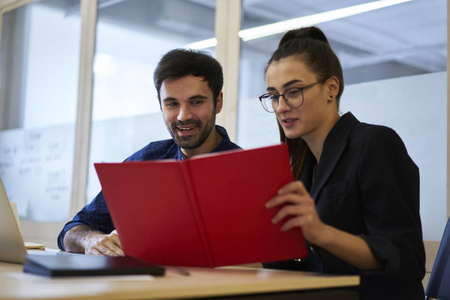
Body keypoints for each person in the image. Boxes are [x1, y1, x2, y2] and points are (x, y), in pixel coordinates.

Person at [259, 27, 425, 300]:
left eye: (293, 91)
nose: (280, 106)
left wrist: (320, 232)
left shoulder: (375, 143)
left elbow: (406, 261)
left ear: (331, 88)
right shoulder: (302, 168)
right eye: (274, 95)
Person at [58, 49, 241, 256]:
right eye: (172, 104)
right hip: (148, 285)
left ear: (218, 102)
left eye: (196, 102)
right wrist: (90, 240)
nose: (183, 116)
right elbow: (71, 230)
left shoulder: (247, 171)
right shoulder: (143, 162)